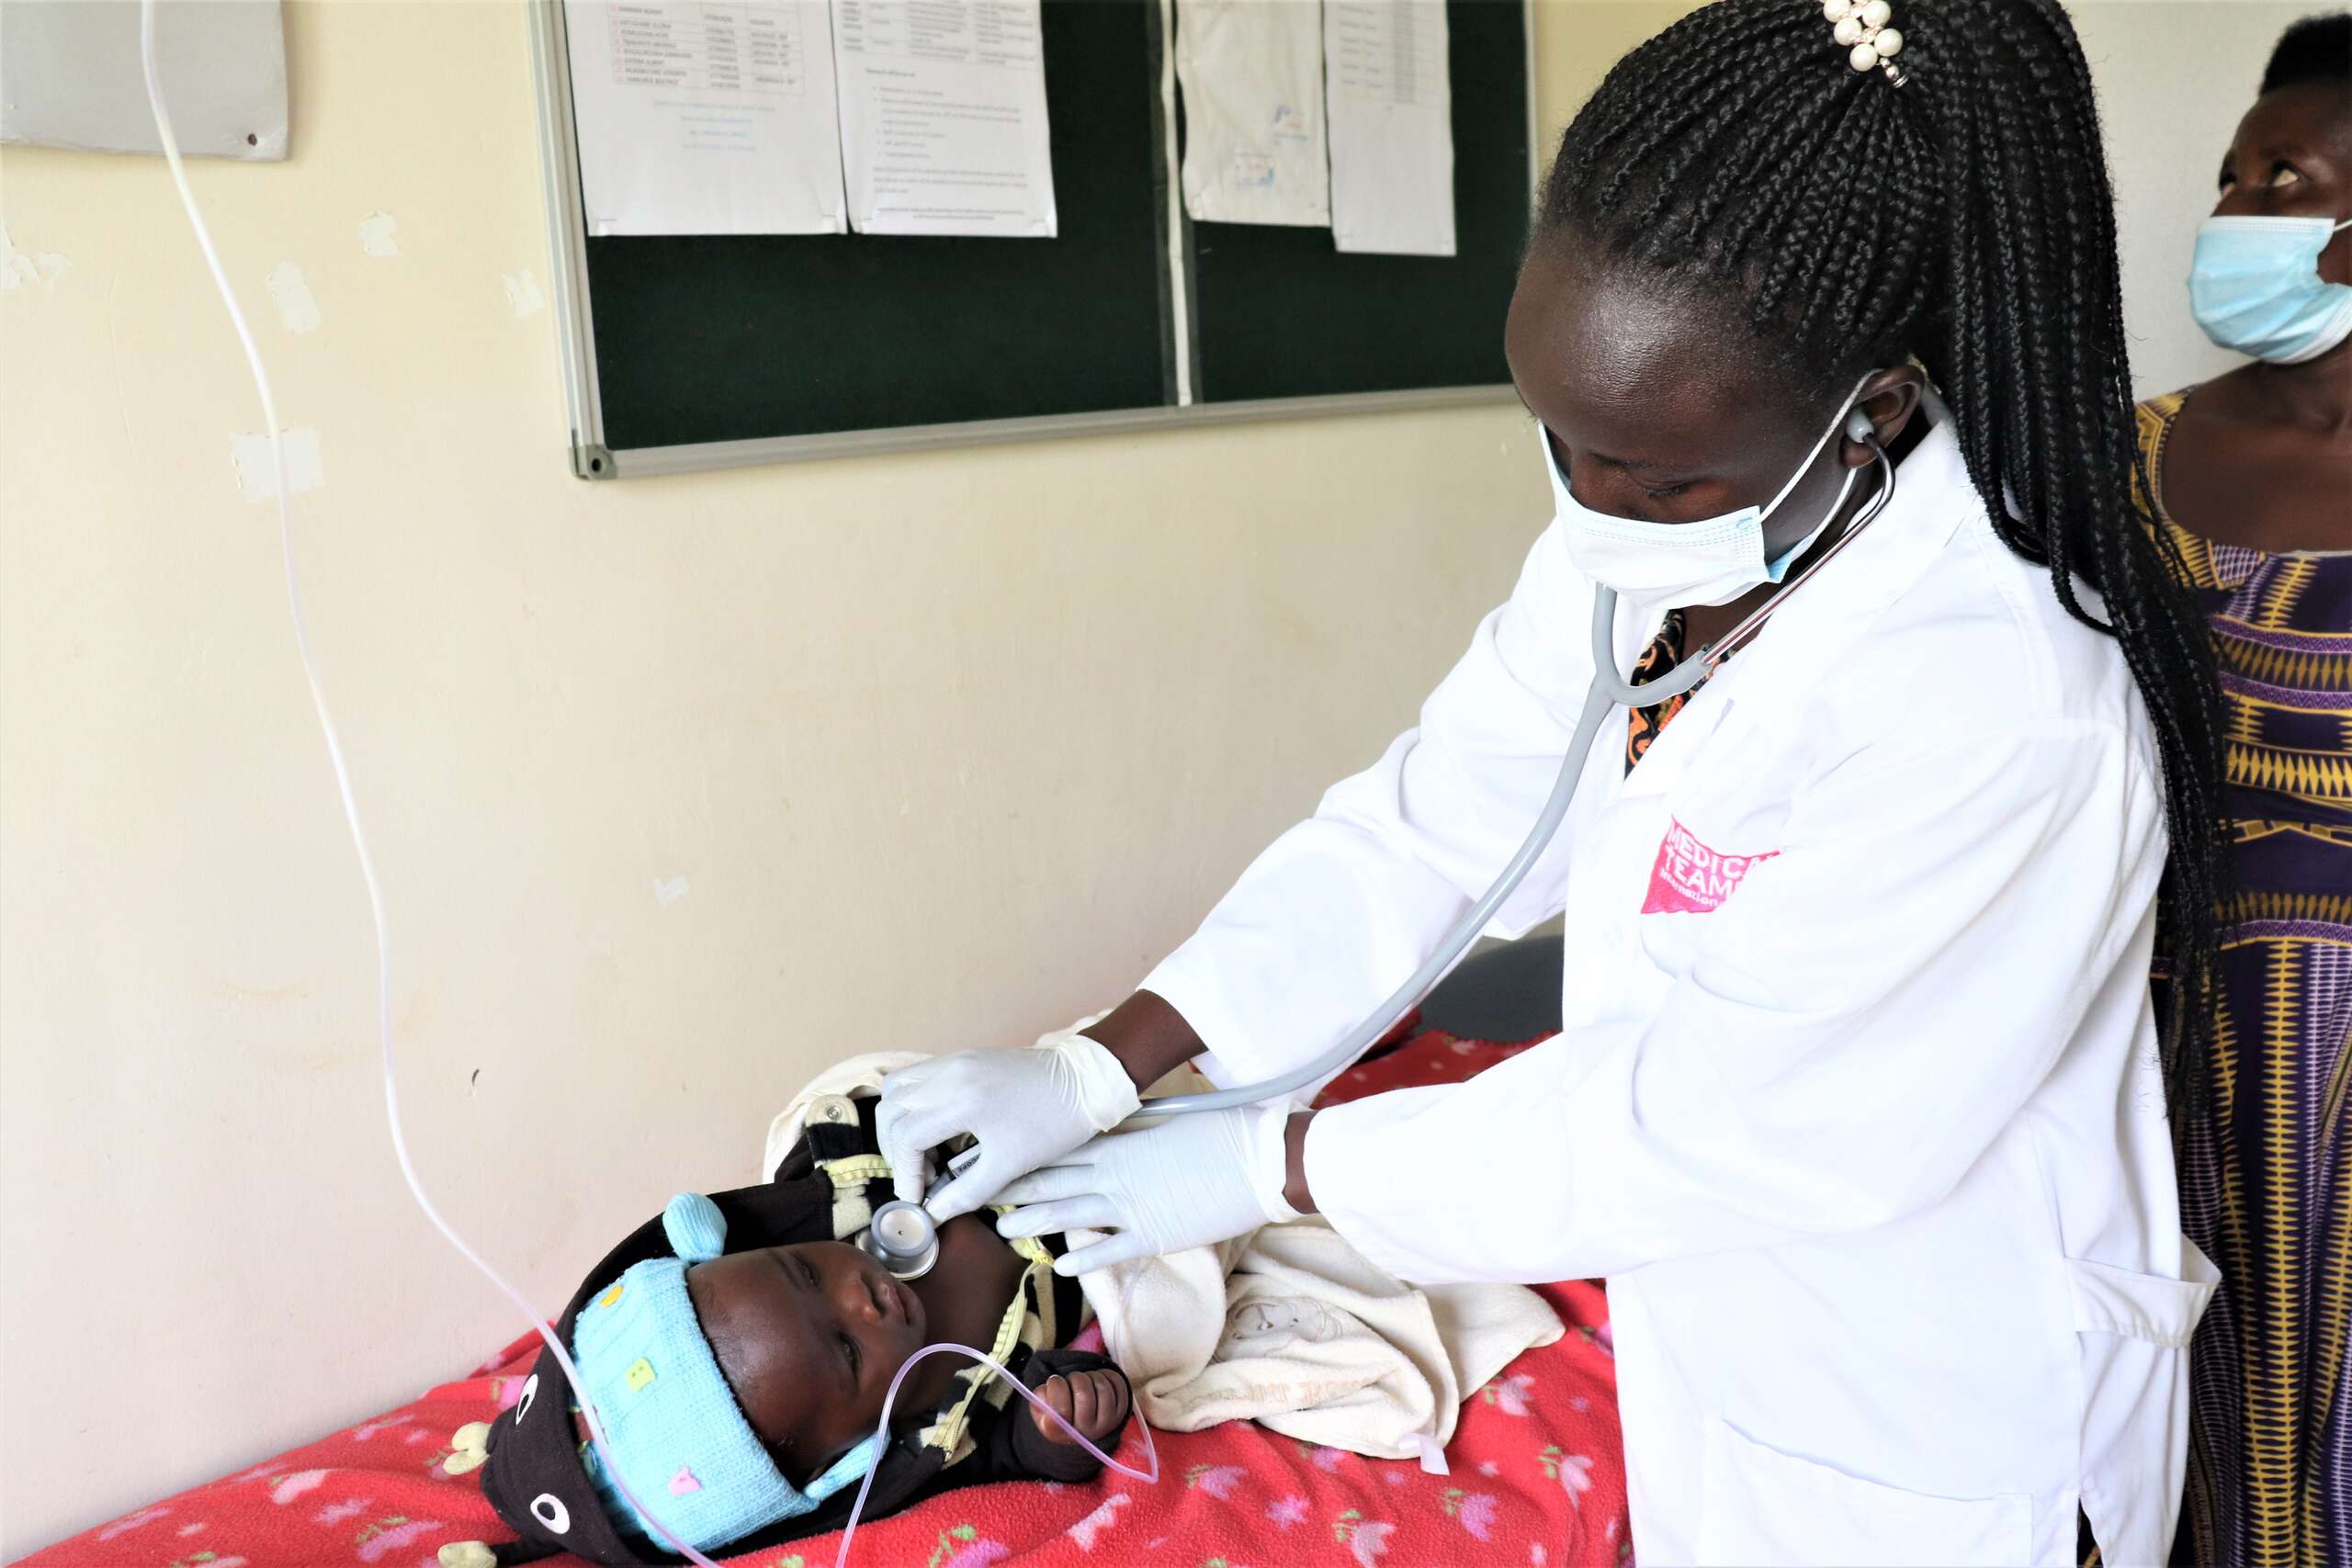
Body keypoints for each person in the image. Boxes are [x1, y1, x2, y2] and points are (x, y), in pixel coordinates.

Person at [878, 1, 2238, 1563]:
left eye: (1658, 475)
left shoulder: (1999, 702)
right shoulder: (1668, 542)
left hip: (1934, 1422)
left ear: (1868, 409)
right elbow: (1439, 812)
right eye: (1561, 439)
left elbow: (1715, 1124)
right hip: (1733, 1368)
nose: (1596, 509)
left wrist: (1268, 1163)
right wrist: (1104, 1063)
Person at [2132, 13, 2352, 1566]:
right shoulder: (2115, 459)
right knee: (2191, 1454)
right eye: (2233, 176)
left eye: (2284, 180)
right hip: (2153, 1070)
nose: (2235, 215)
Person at [435, 1101, 1131, 1567]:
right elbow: (1012, 1449)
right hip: (1115, 1217)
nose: (861, 1298)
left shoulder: (836, 1192)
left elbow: (862, 1113)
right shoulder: (943, 1422)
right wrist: (1058, 1428)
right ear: (846, 1461)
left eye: (803, 1271)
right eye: (849, 1352)